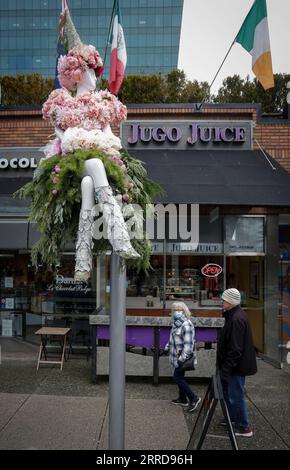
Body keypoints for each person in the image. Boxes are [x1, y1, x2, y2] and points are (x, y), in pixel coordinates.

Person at [217, 288, 257, 437]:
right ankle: (232, 419)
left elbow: (235, 349)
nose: (222, 302)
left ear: (231, 302)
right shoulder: (233, 315)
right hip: (233, 366)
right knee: (230, 394)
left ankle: (244, 427)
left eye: (224, 300)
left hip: (236, 367)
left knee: (236, 395)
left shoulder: (236, 319)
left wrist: (226, 369)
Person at [165, 301, 201, 412]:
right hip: (176, 355)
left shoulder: (187, 324)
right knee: (180, 376)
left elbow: (188, 345)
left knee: (177, 377)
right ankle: (182, 399)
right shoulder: (176, 323)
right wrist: (167, 347)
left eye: (179, 309)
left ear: (184, 311)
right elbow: (173, 339)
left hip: (182, 357)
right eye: (174, 310)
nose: (177, 312)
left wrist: (182, 358)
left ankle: (193, 398)